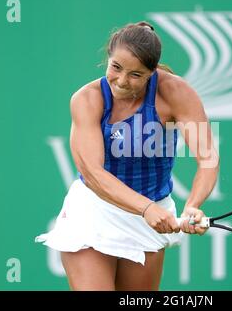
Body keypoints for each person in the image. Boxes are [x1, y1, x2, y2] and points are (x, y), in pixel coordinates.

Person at [36, 21, 219, 291]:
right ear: (108, 59)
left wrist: (193, 204)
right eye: (116, 67)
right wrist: (145, 208)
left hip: (151, 214)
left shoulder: (176, 93)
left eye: (136, 74)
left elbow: (207, 159)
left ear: (151, 72)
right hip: (94, 211)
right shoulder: (87, 99)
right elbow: (93, 174)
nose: (121, 81)